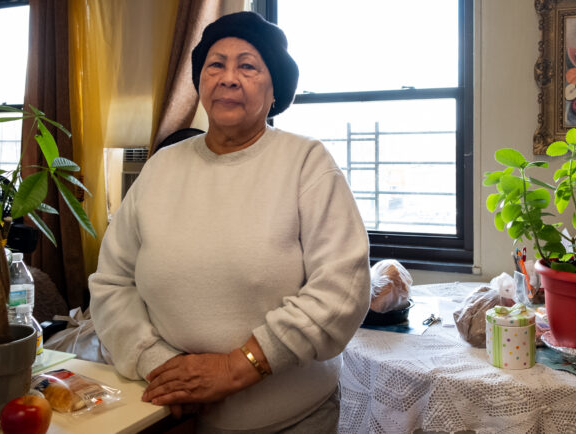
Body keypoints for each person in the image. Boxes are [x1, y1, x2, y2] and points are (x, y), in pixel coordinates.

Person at [88, 11, 371, 433]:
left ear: (274, 90)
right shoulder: (161, 167)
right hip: (171, 415)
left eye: (248, 66)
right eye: (215, 64)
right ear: (200, 82)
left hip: (292, 420)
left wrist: (238, 367)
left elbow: (341, 289)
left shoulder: (306, 163)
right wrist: (156, 363)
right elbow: (112, 282)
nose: (229, 77)